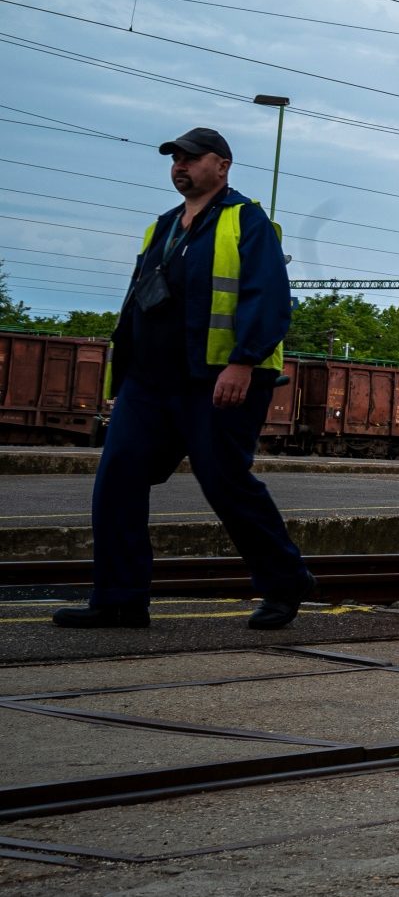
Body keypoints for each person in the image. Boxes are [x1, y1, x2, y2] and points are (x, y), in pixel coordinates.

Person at [53, 128, 314, 630]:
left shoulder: (247, 221)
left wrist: (243, 362)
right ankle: (120, 600)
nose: (180, 166)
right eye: (175, 158)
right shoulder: (163, 227)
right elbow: (137, 305)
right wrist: (121, 382)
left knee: (225, 484)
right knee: (117, 480)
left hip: (217, 381)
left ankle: (286, 581)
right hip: (149, 385)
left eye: (192, 158)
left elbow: (270, 299)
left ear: (222, 165)